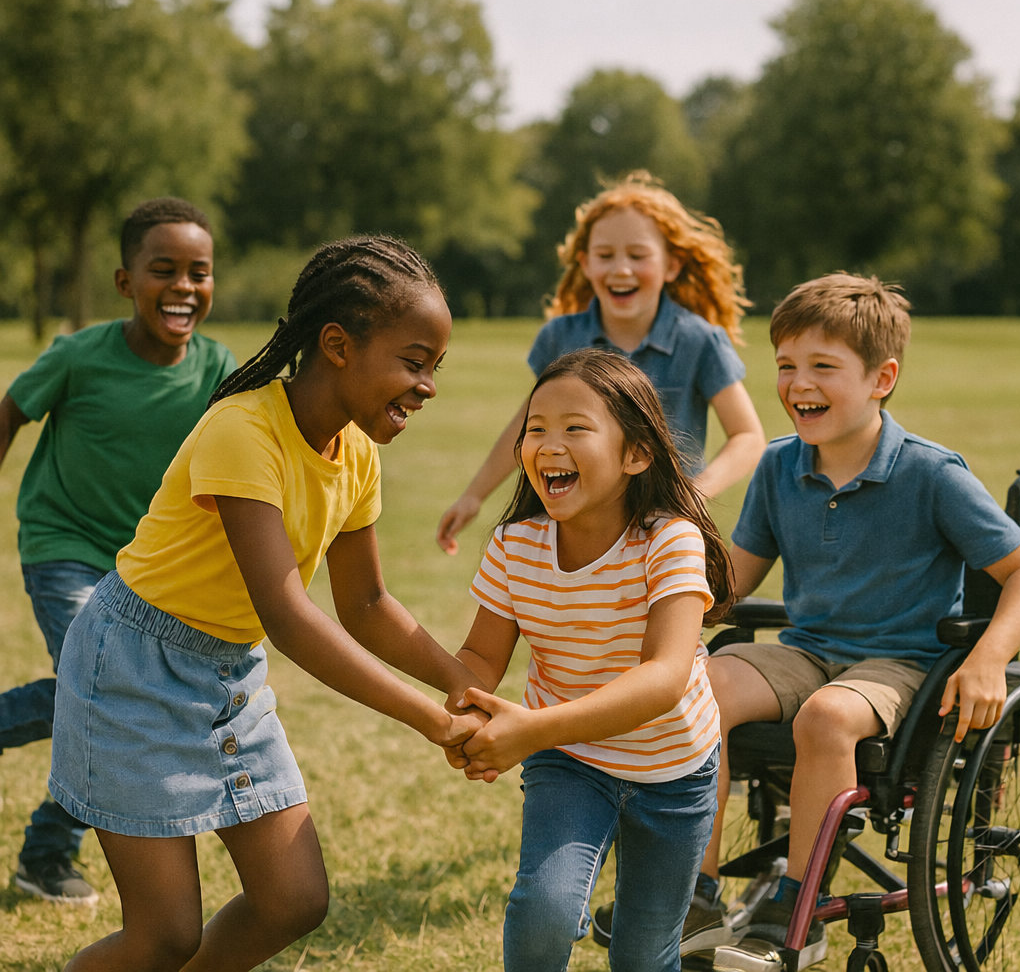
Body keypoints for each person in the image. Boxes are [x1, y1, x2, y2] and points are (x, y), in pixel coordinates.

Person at [47, 236, 489, 972]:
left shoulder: (357, 455)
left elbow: (368, 601)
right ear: (338, 345)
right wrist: (429, 719)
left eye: (434, 368)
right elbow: (288, 616)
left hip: (228, 675)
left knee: (293, 900)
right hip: (130, 671)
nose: (428, 386)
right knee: (163, 936)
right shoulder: (243, 430)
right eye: (415, 362)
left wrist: (457, 679)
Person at [692, 275, 1020, 969]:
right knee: (697, 686)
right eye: (785, 365)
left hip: (901, 662)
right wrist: (663, 591)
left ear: (882, 378)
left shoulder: (933, 474)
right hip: (808, 648)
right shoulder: (780, 466)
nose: (797, 383)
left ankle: (795, 906)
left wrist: (990, 655)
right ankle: (693, 892)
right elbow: (730, 587)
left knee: (827, 717)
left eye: (822, 366)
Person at [449, 348, 734, 972]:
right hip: (570, 761)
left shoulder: (670, 540)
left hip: (675, 770)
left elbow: (664, 678)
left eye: (576, 428)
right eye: (535, 428)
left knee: (644, 955)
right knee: (545, 908)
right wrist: (460, 712)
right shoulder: (514, 545)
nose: (549, 443)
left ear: (635, 454)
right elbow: (478, 656)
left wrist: (528, 731)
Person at [0, 197, 236, 905]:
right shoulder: (80, 354)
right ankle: (46, 854)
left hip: (146, 567)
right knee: (104, 689)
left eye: (200, 271)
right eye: (163, 269)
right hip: (63, 543)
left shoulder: (215, 367)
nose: (185, 286)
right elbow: (10, 411)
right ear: (124, 281)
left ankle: (43, 854)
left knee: (113, 700)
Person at [436, 171, 765, 556]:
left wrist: (694, 494)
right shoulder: (560, 338)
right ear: (586, 264)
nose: (620, 269)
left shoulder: (698, 341)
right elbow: (526, 425)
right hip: (574, 536)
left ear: (671, 266)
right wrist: (474, 495)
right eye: (605, 256)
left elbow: (748, 437)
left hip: (662, 534)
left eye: (638, 255)